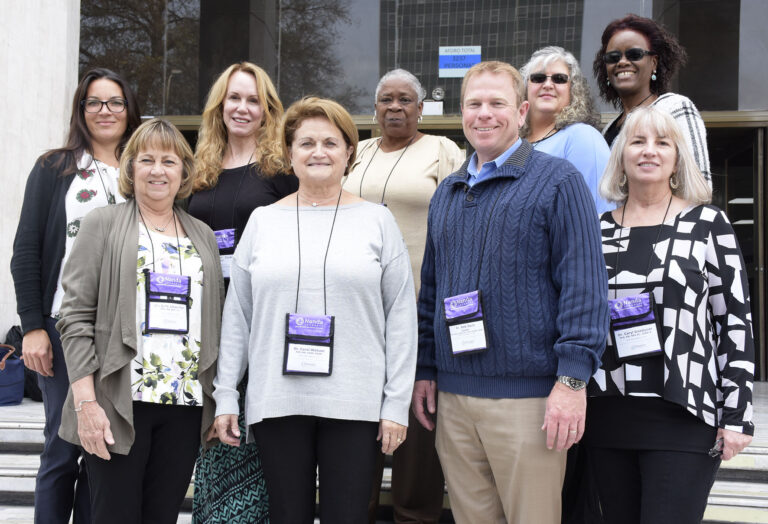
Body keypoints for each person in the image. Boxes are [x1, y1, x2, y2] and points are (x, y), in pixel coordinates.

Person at [412, 61, 609, 524]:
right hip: (454, 399)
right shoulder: (447, 192)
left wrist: (572, 381)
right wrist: (425, 367)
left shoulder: (558, 181)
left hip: (530, 401)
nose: (484, 114)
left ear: (521, 112)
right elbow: (432, 292)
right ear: (462, 113)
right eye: (474, 104)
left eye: (497, 103)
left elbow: (584, 287)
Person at [212, 96, 417, 523]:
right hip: (278, 400)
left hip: (356, 403)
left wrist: (396, 403)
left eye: (330, 142)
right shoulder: (263, 221)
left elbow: (401, 317)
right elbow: (237, 317)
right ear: (289, 153)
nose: (318, 152)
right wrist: (226, 394)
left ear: (349, 152)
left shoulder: (378, 221)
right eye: (306, 143)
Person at [584, 107, 754, 524]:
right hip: (607, 415)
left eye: (662, 143)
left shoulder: (708, 224)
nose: (649, 151)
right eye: (638, 142)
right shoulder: (596, 230)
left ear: (678, 159)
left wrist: (737, 415)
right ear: (621, 156)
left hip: (684, 414)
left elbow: (734, 322)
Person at [55, 118, 224, 523]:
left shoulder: (202, 234)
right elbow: (74, 317)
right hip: (116, 401)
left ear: (184, 170)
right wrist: (85, 403)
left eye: (169, 161)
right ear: (130, 168)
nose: (157, 170)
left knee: (162, 516)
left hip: (184, 402)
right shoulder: (102, 223)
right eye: (146, 159)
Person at [10, 67, 140, 524]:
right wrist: (33, 328)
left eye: (115, 102)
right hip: (66, 328)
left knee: (106, 450)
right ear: (80, 110)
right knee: (63, 446)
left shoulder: (143, 169)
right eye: (94, 102)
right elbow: (26, 251)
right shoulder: (55, 168)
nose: (105, 111)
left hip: (127, 334)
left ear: (129, 110)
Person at [346, 68, 464, 524]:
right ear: (375, 108)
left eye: (405, 100)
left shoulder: (442, 150)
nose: (395, 107)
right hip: (358, 312)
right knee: (356, 429)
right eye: (386, 100)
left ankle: (414, 514)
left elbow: (461, 219)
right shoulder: (357, 152)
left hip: (417, 310)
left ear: (420, 108)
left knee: (416, 431)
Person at [188, 61, 297, 524]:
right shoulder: (200, 170)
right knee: (212, 432)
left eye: (253, 100)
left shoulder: (281, 170)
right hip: (203, 318)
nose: (242, 107)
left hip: (258, 320)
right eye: (234, 97)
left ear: (267, 110)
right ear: (220, 105)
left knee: (249, 434)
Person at [593, 14, 711, 183]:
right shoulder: (608, 130)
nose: (622, 62)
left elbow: (699, 182)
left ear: (654, 63)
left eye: (634, 54)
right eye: (613, 57)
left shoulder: (675, 108)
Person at [520, 46, 612, 215]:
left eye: (559, 79)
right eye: (538, 78)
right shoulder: (512, 142)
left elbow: (597, 213)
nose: (548, 85)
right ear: (525, 88)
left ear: (573, 89)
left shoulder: (582, 137)